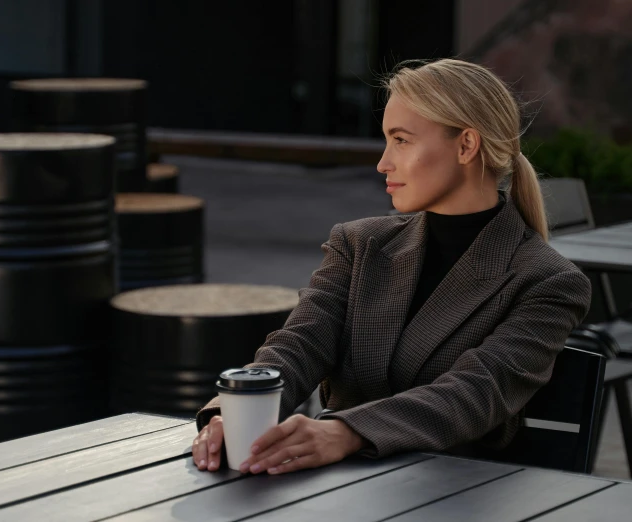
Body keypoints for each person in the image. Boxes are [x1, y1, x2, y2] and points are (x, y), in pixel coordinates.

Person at [192, 58, 591, 476]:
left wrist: (345, 432)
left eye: (401, 140)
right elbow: (300, 344)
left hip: (454, 492)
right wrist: (235, 411)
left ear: (466, 146)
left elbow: (476, 392)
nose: (383, 162)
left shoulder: (548, 282)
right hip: (333, 485)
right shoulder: (360, 244)